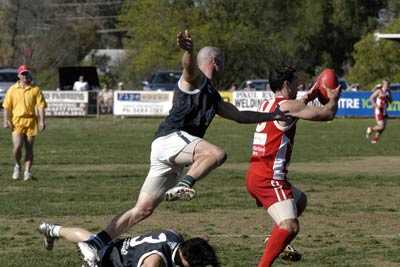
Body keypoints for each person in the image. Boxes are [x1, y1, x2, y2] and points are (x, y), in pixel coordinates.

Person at [77, 30, 287, 267]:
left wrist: (273, 115)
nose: (225, 66)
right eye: (224, 62)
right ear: (215, 62)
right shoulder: (196, 81)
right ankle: (185, 184)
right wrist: (187, 51)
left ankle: (95, 243)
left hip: (170, 151)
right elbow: (187, 68)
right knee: (216, 154)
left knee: (142, 209)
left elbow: (240, 116)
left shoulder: (213, 96)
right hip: (171, 140)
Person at [245, 66, 341, 267]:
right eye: (296, 81)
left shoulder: (268, 103)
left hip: (256, 173)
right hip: (269, 178)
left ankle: (274, 240)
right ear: (287, 84)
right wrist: (333, 97)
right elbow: (327, 114)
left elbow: (293, 106)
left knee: (300, 201)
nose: (299, 85)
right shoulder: (289, 106)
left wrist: (311, 94)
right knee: (290, 226)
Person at [38, 222, 219, 267]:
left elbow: (197, 243)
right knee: (91, 242)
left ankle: (52, 229)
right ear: (186, 260)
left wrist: (202, 242)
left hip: (119, 247)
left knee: (91, 238)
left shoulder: (175, 236)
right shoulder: (154, 262)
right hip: (110, 262)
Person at [2, 64, 47, 181]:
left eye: (26, 73)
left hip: (31, 121)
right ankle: (17, 165)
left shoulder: (35, 89)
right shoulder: (12, 89)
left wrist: (42, 121)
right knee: (17, 146)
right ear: (19, 76)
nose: (25, 76)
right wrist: (6, 120)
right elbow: (6, 107)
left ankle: (27, 172)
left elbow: (41, 106)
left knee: (29, 148)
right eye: (22, 74)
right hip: (17, 121)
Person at [366, 80, 392, 144]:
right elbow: (371, 98)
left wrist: (389, 97)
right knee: (381, 126)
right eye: (386, 84)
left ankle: (375, 139)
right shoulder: (379, 91)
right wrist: (375, 105)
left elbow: (391, 101)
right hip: (378, 110)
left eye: (388, 84)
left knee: (383, 127)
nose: (387, 86)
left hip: (384, 110)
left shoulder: (388, 92)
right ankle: (371, 129)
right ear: (383, 85)